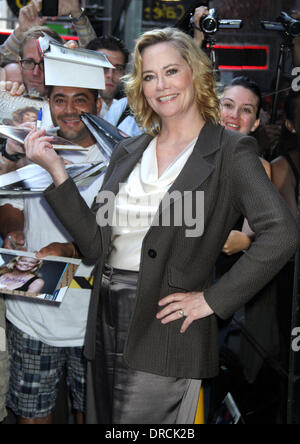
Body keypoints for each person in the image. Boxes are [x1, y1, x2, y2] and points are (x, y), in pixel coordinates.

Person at [24, 27, 299, 424]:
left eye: (171, 71)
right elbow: (95, 246)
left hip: (168, 329)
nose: (161, 85)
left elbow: (283, 234)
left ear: (195, 73)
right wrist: (56, 172)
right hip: (103, 327)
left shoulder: (229, 150)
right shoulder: (128, 150)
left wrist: (213, 300)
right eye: (150, 76)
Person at [0, 84, 104, 424]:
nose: (69, 109)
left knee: (91, 414)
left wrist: (68, 249)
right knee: (32, 416)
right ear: (48, 104)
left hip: (93, 319)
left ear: (99, 104)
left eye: (80, 99)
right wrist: (13, 230)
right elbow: (10, 205)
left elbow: (118, 234)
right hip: (33, 314)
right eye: (60, 99)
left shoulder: (117, 158)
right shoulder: (33, 149)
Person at [86, 36, 129, 117]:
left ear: (124, 73)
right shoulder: (71, 111)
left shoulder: (127, 113)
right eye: (103, 67)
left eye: (118, 68)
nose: (110, 75)